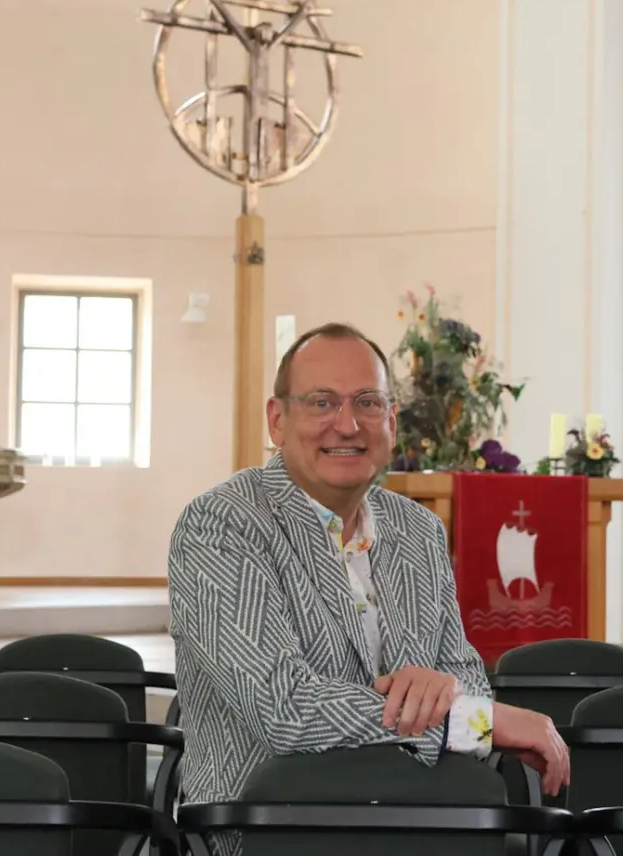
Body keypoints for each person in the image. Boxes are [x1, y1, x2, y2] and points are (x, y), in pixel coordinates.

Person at [167, 321, 571, 812]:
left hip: (425, 820)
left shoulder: (418, 532)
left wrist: (448, 695)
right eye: (321, 402)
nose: (347, 423)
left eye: (367, 402)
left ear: (391, 421)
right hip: (269, 829)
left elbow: (467, 681)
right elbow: (285, 710)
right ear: (276, 420)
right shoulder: (222, 524)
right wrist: (470, 723)